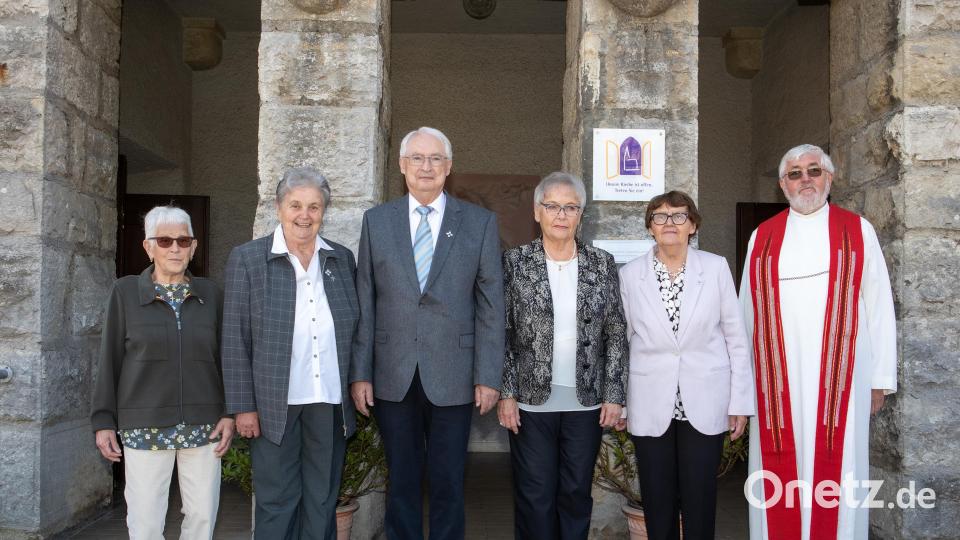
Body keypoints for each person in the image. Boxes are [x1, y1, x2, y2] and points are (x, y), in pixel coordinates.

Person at [350, 126, 505, 540]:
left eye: (435, 158)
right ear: (402, 166)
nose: (426, 166)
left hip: (455, 373)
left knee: (448, 480)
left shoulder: (479, 223)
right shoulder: (376, 222)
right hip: (392, 372)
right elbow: (366, 300)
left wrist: (488, 375)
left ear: (448, 167)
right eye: (417, 158)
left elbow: (491, 305)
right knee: (400, 480)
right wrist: (360, 373)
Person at [740, 144, 897, 540]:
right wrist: (742, 386)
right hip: (778, 385)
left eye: (814, 170)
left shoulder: (857, 231)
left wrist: (879, 379)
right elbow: (746, 315)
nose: (805, 179)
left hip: (843, 381)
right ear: (782, 184)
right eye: (795, 173)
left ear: (830, 177)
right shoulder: (762, 238)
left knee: (841, 471)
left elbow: (879, 307)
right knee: (778, 474)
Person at [222, 168, 359, 539]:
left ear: (324, 211)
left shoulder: (341, 259)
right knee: (276, 500)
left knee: (322, 499)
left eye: (314, 206)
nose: (305, 215)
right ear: (279, 207)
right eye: (295, 205)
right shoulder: (249, 259)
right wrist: (243, 406)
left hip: (328, 399)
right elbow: (234, 338)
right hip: (272, 405)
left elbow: (356, 329)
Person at [497, 171, 627, 539]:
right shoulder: (514, 263)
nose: (561, 214)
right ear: (536, 211)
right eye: (552, 206)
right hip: (530, 402)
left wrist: (614, 395)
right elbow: (501, 331)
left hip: (586, 402)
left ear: (580, 214)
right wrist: (506, 393)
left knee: (575, 493)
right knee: (534, 495)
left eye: (570, 207)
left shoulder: (601, 263)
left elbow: (616, 331)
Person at [618, 190, 754, 540]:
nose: (670, 223)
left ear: (692, 225)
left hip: (705, 400)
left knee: (700, 499)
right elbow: (623, 342)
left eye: (679, 216)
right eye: (660, 216)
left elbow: (736, 337)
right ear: (650, 226)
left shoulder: (715, 267)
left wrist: (740, 402)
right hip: (649, 400)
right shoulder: (630, 275)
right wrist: (621, 402)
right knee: (657, 500)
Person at [91, 205, 233, 540]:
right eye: (165, 240)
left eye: (183, 241)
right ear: (148, 246)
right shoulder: (125, 293)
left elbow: (227, 359)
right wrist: (103, 420)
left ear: (193, 247)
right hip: (144, 423)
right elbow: (109, 359)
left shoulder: (211, 295)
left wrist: (230, 412)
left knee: (202, 516)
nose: (175, 248)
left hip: (204, 424)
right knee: (146, 521)